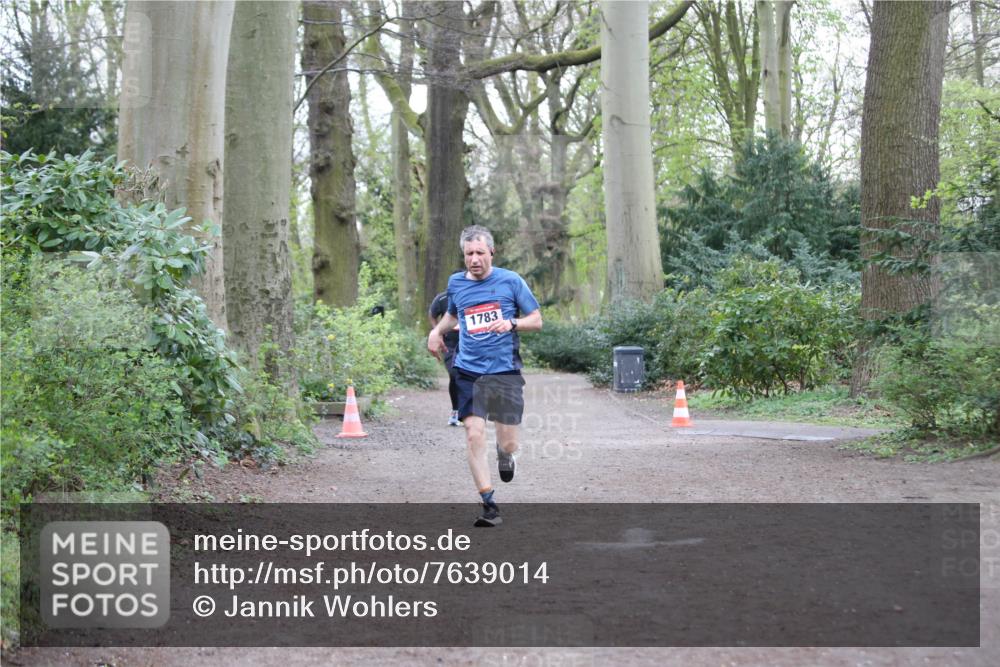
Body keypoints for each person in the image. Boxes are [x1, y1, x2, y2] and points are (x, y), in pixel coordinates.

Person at [427, 225, 542, 527]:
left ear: (491, 252)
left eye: (480, 252)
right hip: (468, 371)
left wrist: (512, 323)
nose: (474, 259)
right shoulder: (456, 283)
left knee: (508, 442)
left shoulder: (511, 281)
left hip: (504, 371)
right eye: (469, 254)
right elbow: (453, 315)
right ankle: (489, 504)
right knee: (473, 433)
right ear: (463, 255)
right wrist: (436, 332)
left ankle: (505, 455)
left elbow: (536, 320)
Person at [428, 290, 461, 426]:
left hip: (471, 342)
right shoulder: (442, 298)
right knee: (454, 374)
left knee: (470, 375)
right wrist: (438, 332)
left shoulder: (472, 293)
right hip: (449, 343)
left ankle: (470, 410)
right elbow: (432, 314)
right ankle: (456, 411)